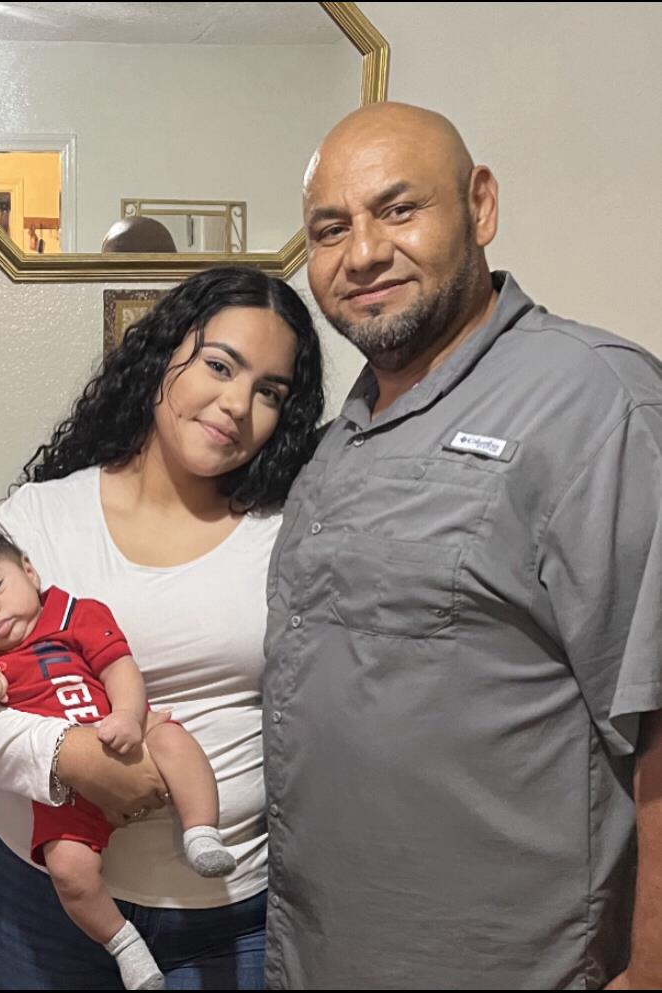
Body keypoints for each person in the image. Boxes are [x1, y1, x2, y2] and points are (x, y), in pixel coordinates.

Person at [263, 101, 662, 989]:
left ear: (480, 205)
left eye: (399, 209)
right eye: (331, 229)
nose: (364, 252)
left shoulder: (598, 401)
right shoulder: (341, 435)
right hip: (319, 951)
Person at [0, 264, 326, 989]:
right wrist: (67, 755)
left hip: (228, 911)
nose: (237, 404)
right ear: (163, 355)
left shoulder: (287, 531)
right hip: (44, 903)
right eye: (220, 365)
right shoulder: (41, 519)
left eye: (270, 392)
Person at [0, 522, 236, 990]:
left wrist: (128, 716)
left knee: (173, 739)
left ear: (29, 571)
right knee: (67, 869)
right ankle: (124, 946)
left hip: (122, 731)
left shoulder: (74, 614)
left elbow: (119, 666)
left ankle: (202, 831)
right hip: (61, 790)